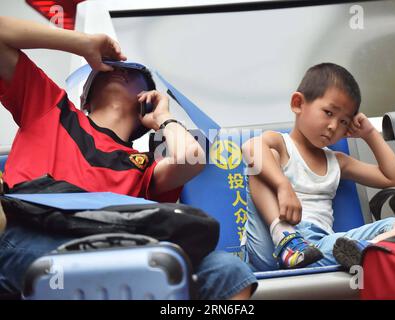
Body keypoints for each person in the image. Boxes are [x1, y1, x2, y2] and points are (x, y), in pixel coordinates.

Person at [0, 16, 257, 299]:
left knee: (227, 270)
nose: (121, 71)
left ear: (146, 101)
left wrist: (164, 118)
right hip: (28, 237)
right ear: (84, 98)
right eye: (109, 68)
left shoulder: (143, 166)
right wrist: (81, 44)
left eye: (135, 75)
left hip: (118, 249)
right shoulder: (50, 108)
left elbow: (192, 158)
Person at [241, 62, 395, 271]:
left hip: (317, 249)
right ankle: (286, 239)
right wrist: (282, 186)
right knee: (262, 157)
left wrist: (369, 134)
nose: (334, 126)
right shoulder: (280, 144)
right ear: (298, 103)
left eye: (344, 122)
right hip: (270, 243)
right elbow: (250, 147)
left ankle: (365, 250)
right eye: (329, 113)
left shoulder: (337, 162)